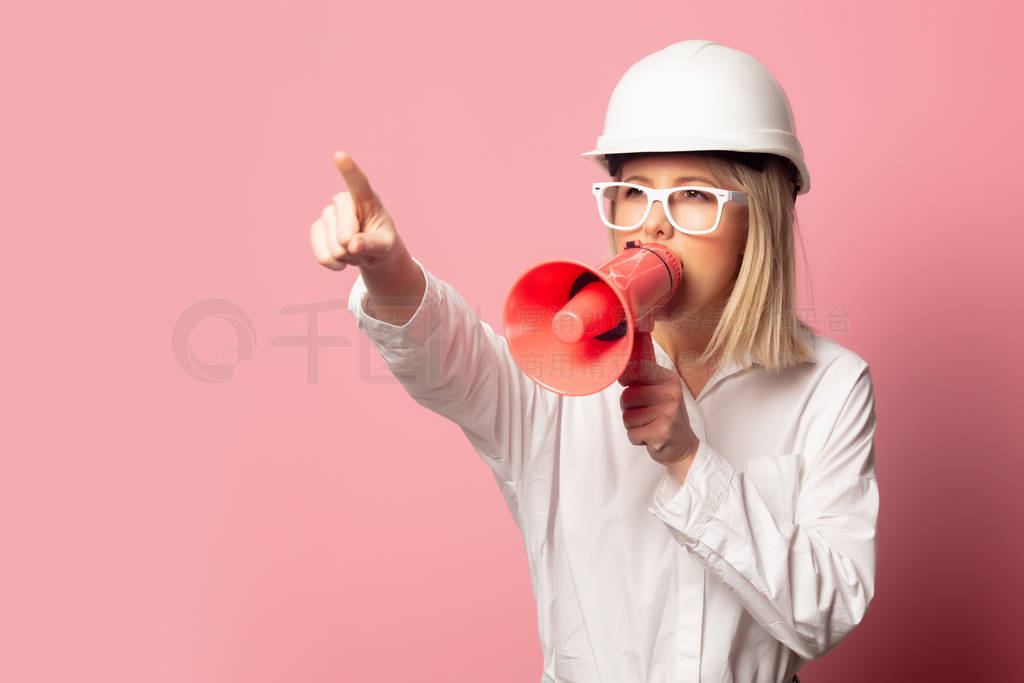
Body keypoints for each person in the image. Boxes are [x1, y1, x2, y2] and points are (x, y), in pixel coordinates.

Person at [310, 40, 878, 683]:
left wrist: (692, 463)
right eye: (632, 191)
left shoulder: (831, 387)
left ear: (761, 217)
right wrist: (390, 273)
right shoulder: (553, 372)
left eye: (693, 195)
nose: (651, 226)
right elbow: (451, 360)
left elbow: (827, 612)